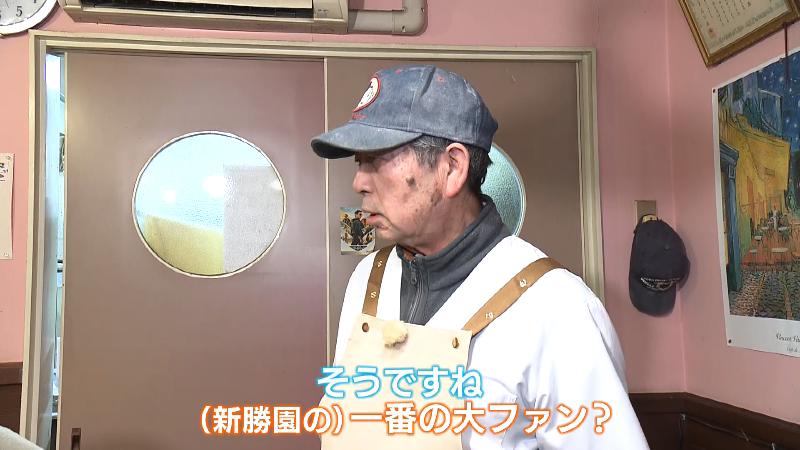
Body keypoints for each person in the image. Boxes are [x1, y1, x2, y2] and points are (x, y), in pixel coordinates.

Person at [311, 65, 648, 449]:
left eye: (376, 158)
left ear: (452, 168)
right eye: (358, 161)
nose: (358, 181)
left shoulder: (556, 306)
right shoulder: (368, 276)